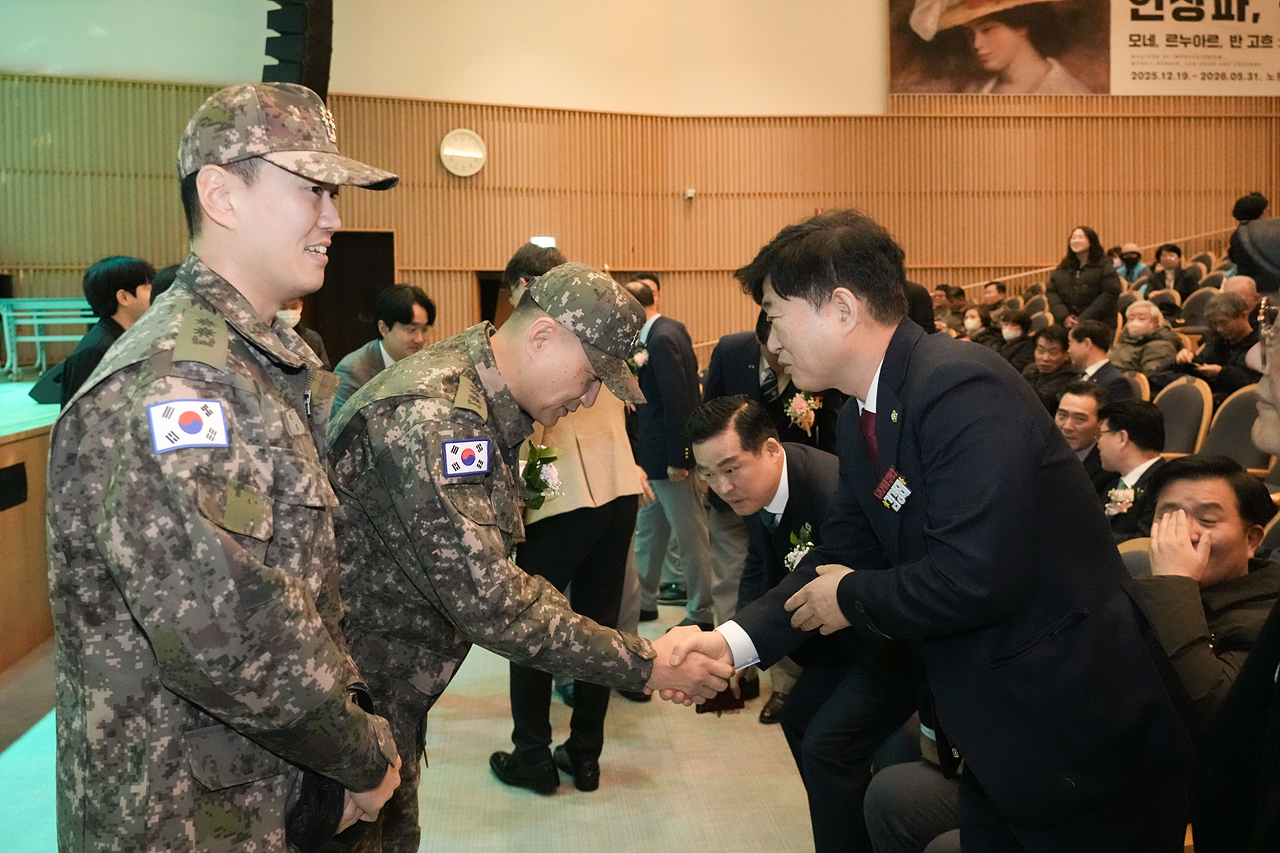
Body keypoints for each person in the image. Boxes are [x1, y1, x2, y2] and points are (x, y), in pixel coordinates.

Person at [669, 209, 1193, 850]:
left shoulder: (960, 387)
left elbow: (975, 576)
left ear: (840, 307)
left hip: (1077, 730)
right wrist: (729, 643)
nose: (770, 344)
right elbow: (833, 557)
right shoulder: (868, 413)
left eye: (776, 316)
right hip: (999, 735)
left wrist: (851, 594)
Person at [46, 82, 404, 853]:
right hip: (184, 819)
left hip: (258, 797)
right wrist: (360, 755)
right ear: (221, 195)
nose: (334, 216)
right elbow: (223, 629)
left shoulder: (257, 361)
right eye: (311, 187)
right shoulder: (179, 379)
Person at [327, 262, 732, 853]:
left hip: (388, 702)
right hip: (349, 712)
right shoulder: (437, 419)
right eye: (592, 376)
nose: (592, 396)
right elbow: (495, 604)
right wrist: (649, 663)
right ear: (542, 337)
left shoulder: (480, 401)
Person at [688, 396, 901, 853]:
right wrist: (736, 639)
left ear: (768, 448)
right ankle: (849, 827)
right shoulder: (763, 489)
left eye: (730, 468)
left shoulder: (827, 491)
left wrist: (734, 644)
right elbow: (760, 571)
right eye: (707, 474)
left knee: (826, 748)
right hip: (836, 643)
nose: (721, 487)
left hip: (889, 647)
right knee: (799, 719)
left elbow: (816, 580)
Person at [488, 248, 648, 796]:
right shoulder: (595, 327)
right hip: (618, 488)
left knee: (533, 629)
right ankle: (585, 755)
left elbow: (530, 434)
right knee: (599, 623)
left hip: (557, 500)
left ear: (527, 285)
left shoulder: (539, 344)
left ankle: (532, 752)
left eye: (516, 292)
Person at [1137, 455, 1280, 732]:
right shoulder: (1145, 588)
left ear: (1251, 539)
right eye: (1170, 517)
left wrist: (1176, 582)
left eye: (1207, 519)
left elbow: (1214, 715)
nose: (1186, 534)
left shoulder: (1267, 616)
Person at [625, 279, 718, 630]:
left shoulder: (661, 338)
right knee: (650, 531)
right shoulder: (664, 330)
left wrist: (681, 457)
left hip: (668, 458)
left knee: (691, 535)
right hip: (652, 458)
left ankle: (701, 612)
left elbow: (680, 401)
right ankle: (645, 601)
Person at [907, 0, 1091, 94]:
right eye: (970, 34)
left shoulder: (1067, 92)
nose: (976, 44)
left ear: (1021, 26)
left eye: (988, 30)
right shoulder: (976, 90)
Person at [58, 255, 154, 406]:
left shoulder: (131, 338)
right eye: (149, 289)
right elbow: (81, 420)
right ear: (124, 298)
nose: (158, 295)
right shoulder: (94, 352)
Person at [332, 283, 436, 413]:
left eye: (425, 329)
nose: (419, 339)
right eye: (411, 329)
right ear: (384, 329)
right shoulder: (353, 372)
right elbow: (343, 430)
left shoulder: (426, 365)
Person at [1170, 292, 1261, 406]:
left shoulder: (1262, 345)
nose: (1220, 329)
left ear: (1243, 315)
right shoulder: (1217, 342)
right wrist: (1189, 359)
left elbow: (1259, 385)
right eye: (1214, 324)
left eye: (1224, 322)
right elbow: (1203, 365)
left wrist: (1222, 374)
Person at [1096, 400, 1166, 543]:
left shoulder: (1162, 484)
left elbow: (1145, 542)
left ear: (1122, 438)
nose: (1097, 443)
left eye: (1100, 434)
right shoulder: (1111, 483)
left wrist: (1089, 537)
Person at [1047, 225, 1122, 336]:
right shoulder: (1064, 266)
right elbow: (1052, 291)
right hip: (1066, 323)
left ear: (1091, 241)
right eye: (1073, 238)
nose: (1076, 240)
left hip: (1097, 323)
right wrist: (1064, 316)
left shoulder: (1104, 265)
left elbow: (1110, 293)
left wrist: (1083, 319)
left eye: (1081, 237)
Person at [1055, 380, 1116, 496]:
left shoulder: (1108, 467)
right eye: (1062, 415)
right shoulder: (1041, 451)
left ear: (1101, 423)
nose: (1067, 426)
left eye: (1079, 419)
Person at [1067, 319, 1135, 402]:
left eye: (1071, 343)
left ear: (1086, 343)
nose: (1069, 350)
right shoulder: (1079, 376)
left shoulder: (1115, 382)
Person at [1107, 299, 1180, 375]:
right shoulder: (1124, 341)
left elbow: (1152, 377)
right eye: (1131, 319)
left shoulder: (1160, 345)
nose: (1135, 322)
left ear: (1154, 322)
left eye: (1141, 318)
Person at [1020, 324, 1079, 413]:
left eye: (1053, 352)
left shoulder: (1070, 376)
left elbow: (1038, 401)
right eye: (1041, 350)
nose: (1045, 358)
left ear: (1066, 354)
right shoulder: (1030, 369)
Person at [276, 296, 331, 369]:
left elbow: (324, 370)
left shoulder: (312, 338)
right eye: (283, 308)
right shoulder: (265, 336)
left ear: (301, 306)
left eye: (294, 307)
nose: (289, 313)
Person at [996, 308, 1035, 373]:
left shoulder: (1027, 347)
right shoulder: (1001, 342)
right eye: (1005, 324)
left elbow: (1014, 369)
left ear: (1023, 328)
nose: (1007, 328)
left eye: (1013, 325)